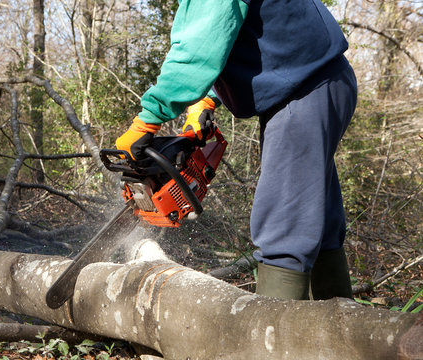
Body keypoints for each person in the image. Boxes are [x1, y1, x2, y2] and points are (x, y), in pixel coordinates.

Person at [115, 0, 357, 300]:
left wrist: (147, 121)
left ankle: (268, 336)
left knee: (283, 221)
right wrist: (205, 101)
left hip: (306, 88)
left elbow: (197, 50)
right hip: (316, 82)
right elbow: (235, 37)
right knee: (315, 214)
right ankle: (339, 324)